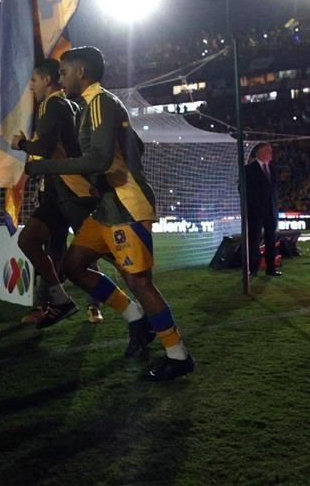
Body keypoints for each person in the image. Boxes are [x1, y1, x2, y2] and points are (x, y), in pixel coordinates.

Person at [25, 46, 194, 381]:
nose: (60, 79)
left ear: (81, 73)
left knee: (139, 282)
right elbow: (133, 147)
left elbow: (100, 158)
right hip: (105, 206)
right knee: (73, 266)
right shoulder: (90, 106)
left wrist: (47, 166)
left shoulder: (100, 102)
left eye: (63, 73)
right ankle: (136, 319)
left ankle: (178, 355)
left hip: (126, 205)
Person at [11, 58, 104, 326]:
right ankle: (58, 300)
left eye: (33, 81)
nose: (31, 87)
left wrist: (22, 144)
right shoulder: (51, 107)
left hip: (73, 188)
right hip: (55, 190)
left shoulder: (54, 104)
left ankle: (122, 306)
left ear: (47, 80)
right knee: (32, 241)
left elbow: (45, 148)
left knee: (89, 254)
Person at [244, 142, 281, 277]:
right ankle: (252, 268)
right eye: (268, 151)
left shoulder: (273, 168)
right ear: (259, 153)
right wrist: (252, 204)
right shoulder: (248, 169)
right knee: (254, 240)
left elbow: (274, 190)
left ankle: (271, 268)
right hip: (256, 211)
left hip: (271, 211)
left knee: (271, 240)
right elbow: (242, 190)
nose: (271, 154)